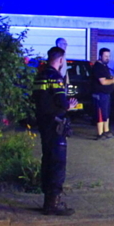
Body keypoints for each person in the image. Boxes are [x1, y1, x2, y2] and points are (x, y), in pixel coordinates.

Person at [32, 46, 77, 216]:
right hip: (56, 124)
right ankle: (53, 203)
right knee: (58, 162)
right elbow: (62, 102)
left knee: (47, 160)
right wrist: (69, 106)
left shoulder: (40, 76)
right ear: (60, 60)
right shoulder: (56, 77)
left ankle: (47, 201)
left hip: (43, 123)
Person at [91, 47, 114, 140]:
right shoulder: (98, 67)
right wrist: (113, 81)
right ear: (100, 56)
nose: (107, 58)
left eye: (108, 56)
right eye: (105, 56)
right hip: (100, 94)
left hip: (106, 94)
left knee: (106, 113)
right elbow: (103, 82)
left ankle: (106, 131)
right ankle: (100, 133)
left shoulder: (104, 66)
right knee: (101, 114)